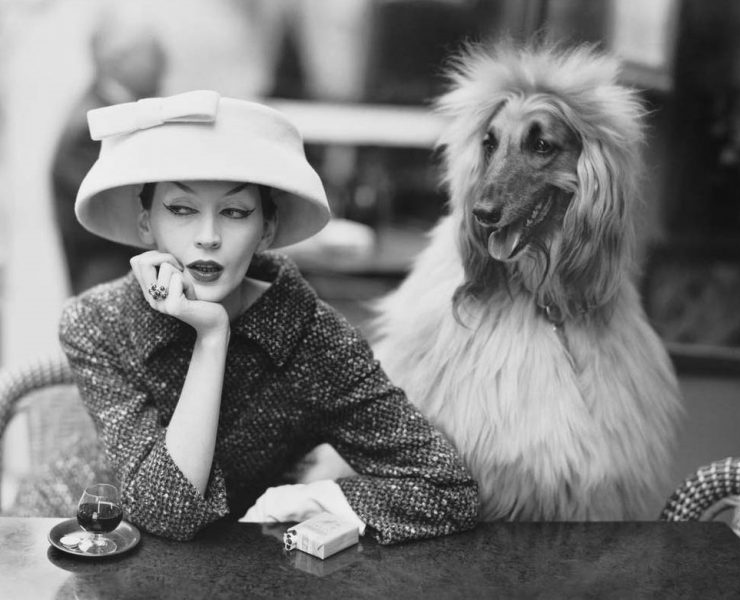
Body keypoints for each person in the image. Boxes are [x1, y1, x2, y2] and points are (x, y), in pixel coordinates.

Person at [59, 90, 478, 543]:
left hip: (230, 565)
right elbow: (167, 512)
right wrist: (211, 338)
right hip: (69, 530)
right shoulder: (94, 322)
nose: (208, 237)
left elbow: (446, 489)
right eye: (181, 209)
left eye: (235, 212)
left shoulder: (314, 340)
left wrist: (317, 499)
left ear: (266, 229)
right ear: (146, 224)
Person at [52, 9, 166, 293]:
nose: (164, 62)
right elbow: (124, 213)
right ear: (116, 61)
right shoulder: (90, 131)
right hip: (112, 290)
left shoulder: (115, 114)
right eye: (152, 52)